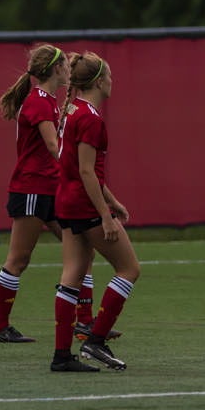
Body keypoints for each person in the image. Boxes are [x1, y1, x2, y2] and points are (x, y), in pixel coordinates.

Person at [51, 53, 137, 373]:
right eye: (110, 76)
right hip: (84, 205)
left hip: (68, 201)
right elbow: (87, 172)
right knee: (129, 269)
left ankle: (62, 356)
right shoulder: (90, 117)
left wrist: (112, 201)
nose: (113, 82)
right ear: (99, 81)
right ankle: (96, 341)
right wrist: (104, 214)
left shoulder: (75, 110)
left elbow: (81, 170)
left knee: (72, 275)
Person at [0, 43, 73, 344]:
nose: (68, 70)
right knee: (18, 260)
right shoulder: (38, 101)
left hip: (50, 188)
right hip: (32, 189)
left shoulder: (49, 100)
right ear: (55, 69)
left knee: (80, 249)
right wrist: (81, 171)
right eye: (65, 64)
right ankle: (0, 327)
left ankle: (85, 322)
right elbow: (54, 147)